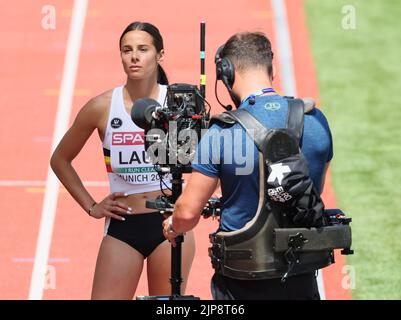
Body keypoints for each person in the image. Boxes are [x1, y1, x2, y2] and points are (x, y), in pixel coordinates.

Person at [163, 32, 333, 300]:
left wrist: (173, 223)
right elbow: (307, 190)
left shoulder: (223, 130)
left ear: (226, 73)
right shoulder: (315, 120)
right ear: (272, 69)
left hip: (242, 279)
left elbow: (187, 214)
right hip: (301, 275)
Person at [51, 21, 195, 300]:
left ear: (160, 54)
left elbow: (207, 157)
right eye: (127, 50)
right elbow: (60, 159)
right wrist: (91, 206)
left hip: (168, 226)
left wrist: (191, 199)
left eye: (143, 49)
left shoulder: (179, 104)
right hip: (123, 227)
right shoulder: (102, 107)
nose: (134, 56)